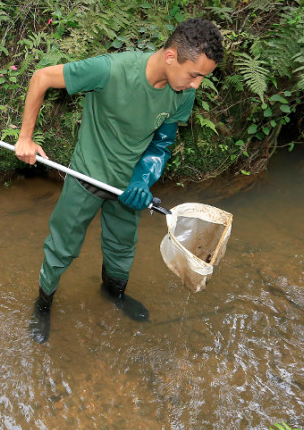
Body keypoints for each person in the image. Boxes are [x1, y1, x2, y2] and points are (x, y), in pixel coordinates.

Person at [14, 17, 224, 343]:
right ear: (171, 57)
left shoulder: (182, 94)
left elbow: (162, 143)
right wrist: (25, 137)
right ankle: (42, 305)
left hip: (128, 190)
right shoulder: (111, 70)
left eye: (202, 77)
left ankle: (114, 294)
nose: (197, 84)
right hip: (85, 176)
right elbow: (42, 77)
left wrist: (142, 180)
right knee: (61, 247)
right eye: (195, 74)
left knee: (122, 248)